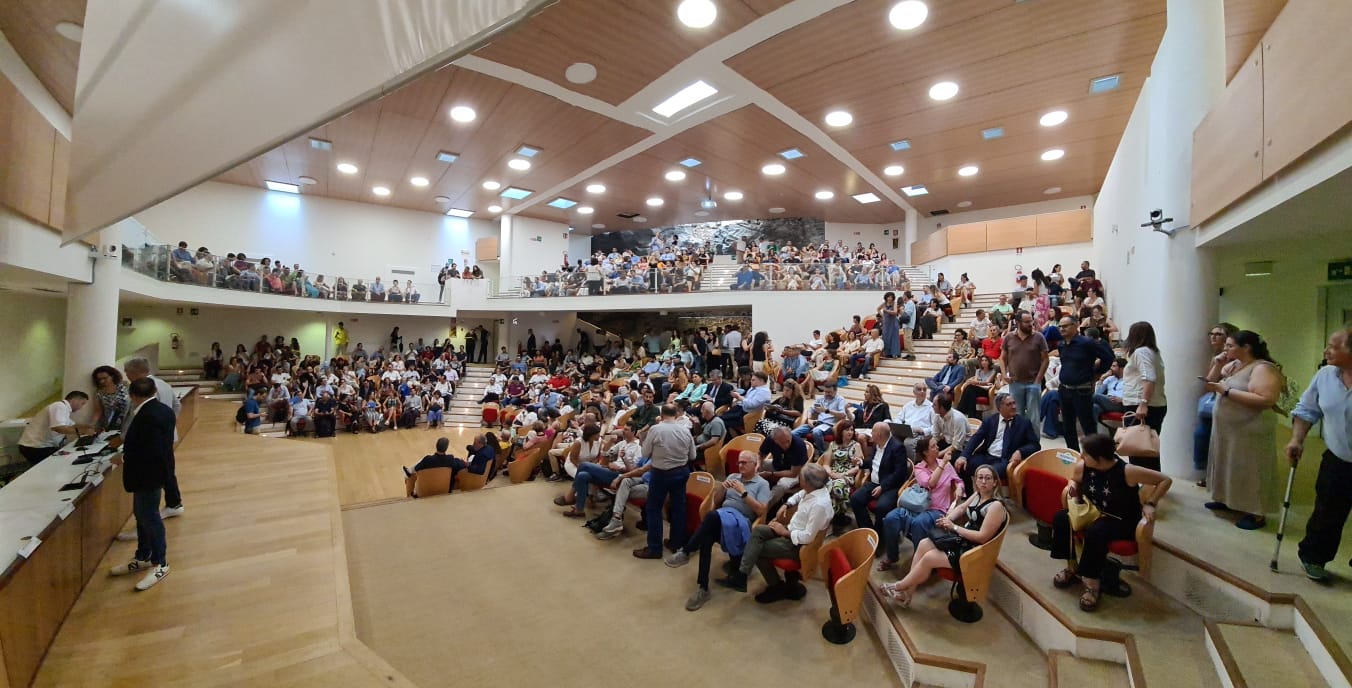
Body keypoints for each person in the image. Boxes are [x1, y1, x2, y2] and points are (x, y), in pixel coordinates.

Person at [1050, 434, 1171, 611]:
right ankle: (1072, 567)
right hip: (1093, 512)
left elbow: (1165, 480)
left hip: (1121, 519)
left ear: (1099, 459)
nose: (1082, 457)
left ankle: (1092, 584)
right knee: (1061, 518)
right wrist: (1074, 488)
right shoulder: (1083, 466)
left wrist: (1151, 503)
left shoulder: (1127, 471)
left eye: (1086, 454)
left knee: (1096, 531)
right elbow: (1074, 480)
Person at [881, 464, 1008, 608]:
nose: (983, 481)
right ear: (976, 481)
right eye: (980, 478)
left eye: (988, 478)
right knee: (923, 544)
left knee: (929, 558)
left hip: (974, 551)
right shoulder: (978, 494)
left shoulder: (996, 506)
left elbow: (982, 537)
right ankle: (907, 594)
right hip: (963, 540)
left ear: (995, 482)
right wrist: (948, 518)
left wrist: (954, 527)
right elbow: (961, 508)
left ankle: (899, 586)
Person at [665, 450, 772, 611]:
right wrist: (722, 488)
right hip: (722, 517)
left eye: (744, 462)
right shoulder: (732, 477)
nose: (740, 465)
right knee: (707, 537)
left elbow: (761, 511)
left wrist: (743, 492)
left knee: (711, 517)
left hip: (740, 521)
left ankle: (686, 551)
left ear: (755, 465)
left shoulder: (762, 484)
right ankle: (703, 588)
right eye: (739, 462)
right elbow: (717, 501)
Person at [1288, 326, 1352, 582]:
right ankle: (1313, 557)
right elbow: (1306, 410)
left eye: (1335, 347)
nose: (1327, 351)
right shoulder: (1325, 375)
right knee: (1327, 511)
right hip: (1337, 458)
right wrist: (1296, 439)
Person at [717, 463, 832, 603]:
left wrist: (784, 532)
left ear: (807, 483)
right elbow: (799, 495)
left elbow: (807, 537)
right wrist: (786, 504)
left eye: (800, 478)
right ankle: (742, 576)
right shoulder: (814, 490)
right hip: (790, 529)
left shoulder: (819, 505)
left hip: (797, 544)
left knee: (758, 549)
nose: (798, 480)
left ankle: (776, 586)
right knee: (758, 531)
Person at [1205, 330, 1284, 530]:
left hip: (1251, 429)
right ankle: (1226, 499)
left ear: (1246, 347)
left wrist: (1227, 392)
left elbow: (1266, 399)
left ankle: (1256, 512)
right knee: (1229, 464)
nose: (1225, 348)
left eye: (1230, 346)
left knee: (1251, 469)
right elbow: (1210, 383)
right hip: (1229, 429)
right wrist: (1217, 363)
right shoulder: (1234, 365)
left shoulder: (1262, 368)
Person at [109, 378, 176, 590]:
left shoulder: (148, 416)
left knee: (149, 516)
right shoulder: (164, 409)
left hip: (149, 474)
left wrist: (124, 457)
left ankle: (160, 562)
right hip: (153, 472)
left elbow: (151, 449)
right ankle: (143, 555)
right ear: (154, 390)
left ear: (133, 396)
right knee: (141, 515)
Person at [622, 404, 695, 559]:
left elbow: (645, 452)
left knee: (654, 508)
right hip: (681, 472)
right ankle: (676, 542)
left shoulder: (656, 429)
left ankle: (655, 548)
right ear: (676, 415)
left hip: (661, 473)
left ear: (661, 415)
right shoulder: (685, 430)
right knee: (678, 508)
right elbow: (693, 456)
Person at [878, 436, 963, 570]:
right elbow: (930, 483)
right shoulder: (919, 468)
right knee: (890, 518)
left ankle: (920, 563)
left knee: (919, 523)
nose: (938, 448)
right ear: (925, 452)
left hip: (937, 509)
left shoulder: (947, 465)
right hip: (917, 506)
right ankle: (892, 556)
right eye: (933, 446)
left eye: (936, 445)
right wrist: (942, 464)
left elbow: (958, 481)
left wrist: (959, 488)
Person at [957, 393, 1040, 492]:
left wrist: (1020, 451)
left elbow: (1035, 445)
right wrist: (964, 456)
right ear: (1000, 408)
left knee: (988, 474)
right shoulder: (990, 420)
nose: (1014, 407)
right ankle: (969, 494)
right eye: (1009, 404)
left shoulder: (1024, 423)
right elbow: (976, 438)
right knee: (962, 464)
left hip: (1005, 460)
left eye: (1014, 403)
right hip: (987, 455)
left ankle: (987, 500)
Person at [1055, 317, 1115, 452]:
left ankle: (1093, 456)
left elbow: (1108, 358)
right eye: (1060, 326)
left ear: (1075, 325)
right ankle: (1073, 455)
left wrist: (1096, 374)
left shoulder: (1087, 343)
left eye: (1065, 326)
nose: (1062, 329)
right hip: (1064, 389)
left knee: (1088, 426)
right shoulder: (1061, 344)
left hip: (1082, 391)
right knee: (1068, 426)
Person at [1194, 322, 1240, 486]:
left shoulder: (1239, 361)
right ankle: (1211, 476)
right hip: (1214, 403)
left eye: (1218, 334)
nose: (1213, 337)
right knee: (1205, 439)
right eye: (1211, 333)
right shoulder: (1217, 358)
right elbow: (1209, 383)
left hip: (1232, 405)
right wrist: (1218, 363)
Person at [1120, 322, 1167, 470]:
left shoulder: (1141, 352)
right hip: (1153, 404)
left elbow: (1149, 378)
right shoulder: (1153, 352)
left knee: (1138, 449)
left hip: (1142, 405)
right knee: (1147, 449)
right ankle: (1150, 483)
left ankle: (1145, 484)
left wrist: (1143, 403)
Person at [849, 422, 910, 532]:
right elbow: (873, 461)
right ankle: (868, 530)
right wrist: (861, 462)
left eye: (872, 431)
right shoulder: (877, 444)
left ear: (879, 435)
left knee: (882, 507)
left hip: (890, 486)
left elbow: (899, 473)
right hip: (874, 482)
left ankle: (879, 534)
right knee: (855, 499)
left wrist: (882, 486)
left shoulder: (897, 447)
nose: (870, 434)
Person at [1001, 311, 1049, 428]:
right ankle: (1020, 443)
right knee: (1017, 415)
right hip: (1015, 383)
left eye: (1031, 321)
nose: (1030, 324)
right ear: (1018, 323)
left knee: (1034, 416)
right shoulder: (1009, 337)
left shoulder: (1039, 337)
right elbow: (1002, 358)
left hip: (1033, 383)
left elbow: (1045, 359)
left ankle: (1034, 444)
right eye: (1027, 322)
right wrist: (1004, 374)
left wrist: (1038, 379)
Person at [18, 391, 92, 464]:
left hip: (40, 447)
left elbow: (72, 425)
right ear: (74, 400)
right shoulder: (59, 406)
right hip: (35, 447)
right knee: (66, 461)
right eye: (82, 403)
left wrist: (90, 427)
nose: (81, 407)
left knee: (69, 457)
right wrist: (84, 432)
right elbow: (58, 428)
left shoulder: (63, 409)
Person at [403, 437, 467, 497]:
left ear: (436, 446)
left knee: (418, 466)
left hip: (425, 491)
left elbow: (417, 469)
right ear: (446, 448)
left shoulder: (428, 459)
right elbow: (462, 465)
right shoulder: (450, 459)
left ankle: (408, 472)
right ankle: (408, 471)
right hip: (445, 491)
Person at [91, 365, 131, 433]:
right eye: (99, 379)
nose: (102, 381)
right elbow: (98, 411)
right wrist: (92, 425)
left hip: (128, 422)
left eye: (105, 378)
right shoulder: (99, 392)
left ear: (112, 376)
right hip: (110, 425)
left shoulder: (125, 385)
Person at [877, 291, 901, 359]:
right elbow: (878, 309)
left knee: (894, 338)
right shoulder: (884, 304)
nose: (889, 298)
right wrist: (882, 315)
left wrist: (887, 311)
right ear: (886, 297)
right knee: (886, 337)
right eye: (888, 297)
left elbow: (895, 312)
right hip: (886, 323)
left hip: (893, 322)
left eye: (891, 297)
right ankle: (887, 353)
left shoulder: (894, 304)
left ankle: (895, 353)